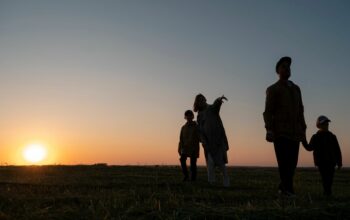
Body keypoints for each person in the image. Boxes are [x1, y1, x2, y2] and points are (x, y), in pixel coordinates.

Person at [263, 56, 307, 197]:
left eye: (288, 66)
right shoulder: (273, 89)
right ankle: (288, 190)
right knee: (284, 162)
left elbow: (301, 110)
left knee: (292, 163)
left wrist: (303, 129)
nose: (287, 68)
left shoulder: (296, 89)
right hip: (280, 131)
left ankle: (284, 188)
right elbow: (268, 111)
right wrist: (269, 129)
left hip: (295, 132)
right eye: (283, 66)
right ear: (278, 71)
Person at [194, 94, 230, 187]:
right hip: (208, 142)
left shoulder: (211, 109)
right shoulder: (199, 115)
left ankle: (226, 182)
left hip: (218, 140)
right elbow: (200, 129)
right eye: (199, 101)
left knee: (221, 163)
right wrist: (203, 140)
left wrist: (219, 100)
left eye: (202, 99)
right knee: (210, 163)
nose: (201, 102)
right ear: (197, 103)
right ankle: (211, 183)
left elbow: (216, 106)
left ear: (205, 99)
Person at [302, 115, 342, 196]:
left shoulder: (332, 137)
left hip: (331, 162)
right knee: (325, 179)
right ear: (319, 125)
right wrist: (303, 140)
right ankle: (327, 194)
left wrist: (339, 162)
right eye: (324, 124)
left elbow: (337, 150)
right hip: (321, 162)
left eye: (327, 124)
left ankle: (328, 194)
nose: (326, 125)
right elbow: (309, 148)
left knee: (330, 179)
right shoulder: (316, 137)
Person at [178, 110, 200, 181]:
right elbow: (181, 139)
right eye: (187, 115)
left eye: (190, 115)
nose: (189, 117)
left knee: (193, 164)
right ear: (185, 117)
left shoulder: (196, 126)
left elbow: (200, 136)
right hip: (185, 148)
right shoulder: (183, 127)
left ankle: (193, 179)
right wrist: (179, 148)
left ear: (192, 116)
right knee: (182, 160)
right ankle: (186, 176)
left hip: (194, 147)